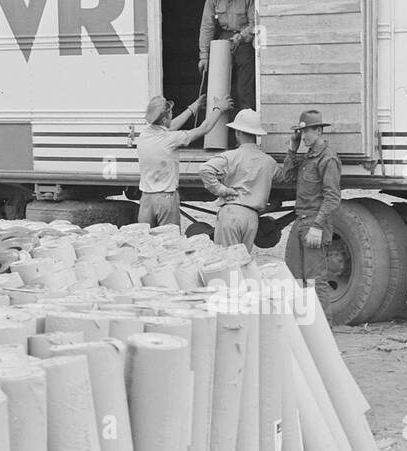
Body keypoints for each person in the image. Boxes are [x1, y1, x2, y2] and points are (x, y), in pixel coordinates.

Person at [273, 109, 341, 313]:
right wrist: (292, 150)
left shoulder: (328, 159)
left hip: (313, 223)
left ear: (320, 130)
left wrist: (317, 226)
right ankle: (304, 324)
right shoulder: (308, 157)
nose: (303, 137)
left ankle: (323, 331)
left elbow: (332, 198)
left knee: (315, 280)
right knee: (293, 275)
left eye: (308, 132)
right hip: (301, 220)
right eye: (301, 133)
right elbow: (285, 177)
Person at [137, 93, 230, 228]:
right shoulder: (171, 139)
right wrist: (219, 108)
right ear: (163, 121)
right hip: (166, 199)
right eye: (170, 114)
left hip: (146, 200)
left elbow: (170, 126)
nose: (172, 116)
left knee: (145, 241)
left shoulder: (144, 134)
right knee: (169, 242)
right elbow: (204, 128)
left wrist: (193, 108)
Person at [199, 109, 277, 249]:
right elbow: (285, 175)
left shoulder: (230, 156)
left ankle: (233, 273)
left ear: (238, 133)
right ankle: (237, 273)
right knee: (242, 261)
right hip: (252, 218)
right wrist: (293, 153)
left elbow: (205, 170)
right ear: (256, 134)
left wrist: (221, 190)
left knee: (229, 263)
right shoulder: (269, 162)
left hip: (232, 214)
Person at [198, 0, 256, 121]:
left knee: (244, 87)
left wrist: (241, 37)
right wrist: (204, 55)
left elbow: (255, 23)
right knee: (220, 83)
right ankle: (218, 127)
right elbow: (207, 26)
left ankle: (246, 126)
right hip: (224, 37)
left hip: (244, 39)